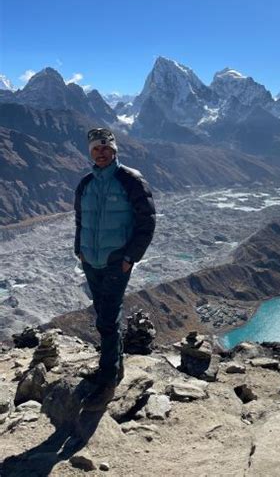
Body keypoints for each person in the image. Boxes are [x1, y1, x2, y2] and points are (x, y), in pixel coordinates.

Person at [75, 127, 156, 410]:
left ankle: (107, 380)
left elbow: (147, 221)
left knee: (108, 319)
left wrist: (130, 257)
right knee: (104, 313)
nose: (101, 153)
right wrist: (79, 250)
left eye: (105, 148)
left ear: (114, 150)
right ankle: (115, 367)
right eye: (96, 149)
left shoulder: (130, 180)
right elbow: (80, 219)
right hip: (91, 260)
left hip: (115, 260)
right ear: (90, 152)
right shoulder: (86, 183)